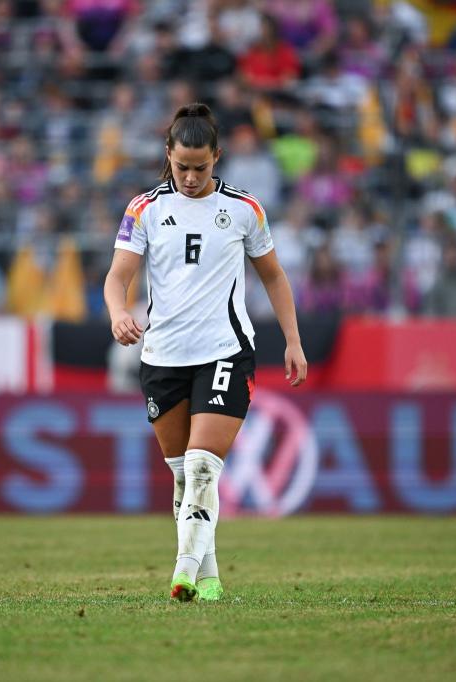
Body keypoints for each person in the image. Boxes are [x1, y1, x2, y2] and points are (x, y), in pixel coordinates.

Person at [104, 103, 307, 602]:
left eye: (201, 167)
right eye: (182, 167)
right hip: (163, 356)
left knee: (201, 468)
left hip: (225, 351)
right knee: (182, 480)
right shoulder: (144, 209)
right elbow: (118, 276)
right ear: (167, 156)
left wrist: (293, 341)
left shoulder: (244, 209)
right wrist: (117, 312)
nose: (191, 178)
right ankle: (212, 578)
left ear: (217, 157)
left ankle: (184, 572)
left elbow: (274, 276)